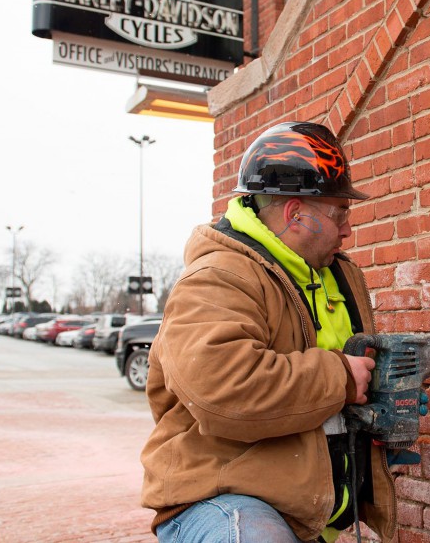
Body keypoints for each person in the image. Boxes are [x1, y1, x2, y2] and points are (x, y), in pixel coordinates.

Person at [141, 121, 396, 543]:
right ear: (296, 213)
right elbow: (221, 389)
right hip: (223, 497)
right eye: (339, 214)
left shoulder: (339, 275)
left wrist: (381, 395)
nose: (348, 229)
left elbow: (341, 377)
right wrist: (341, 378)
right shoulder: (217, 276)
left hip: (309, 507)